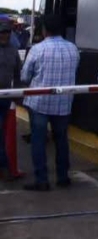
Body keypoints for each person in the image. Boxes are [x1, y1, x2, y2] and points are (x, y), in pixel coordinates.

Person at [20, 16, 78, 190]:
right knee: (61, 140)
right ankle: (62, 177)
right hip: (63, 103)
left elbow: (25, 77)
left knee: (38, 140)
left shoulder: (37, 49)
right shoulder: (73, 48)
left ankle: (42, 180)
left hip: (39, 102)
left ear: (44, 29)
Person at [0, 19, 20, 182]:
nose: (4, 35)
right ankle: (5, 167)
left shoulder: (13, 51)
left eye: (6, 32)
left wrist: (18, 94)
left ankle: (5, 167)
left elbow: (18, 74)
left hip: (5, 97)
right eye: (1, 32)